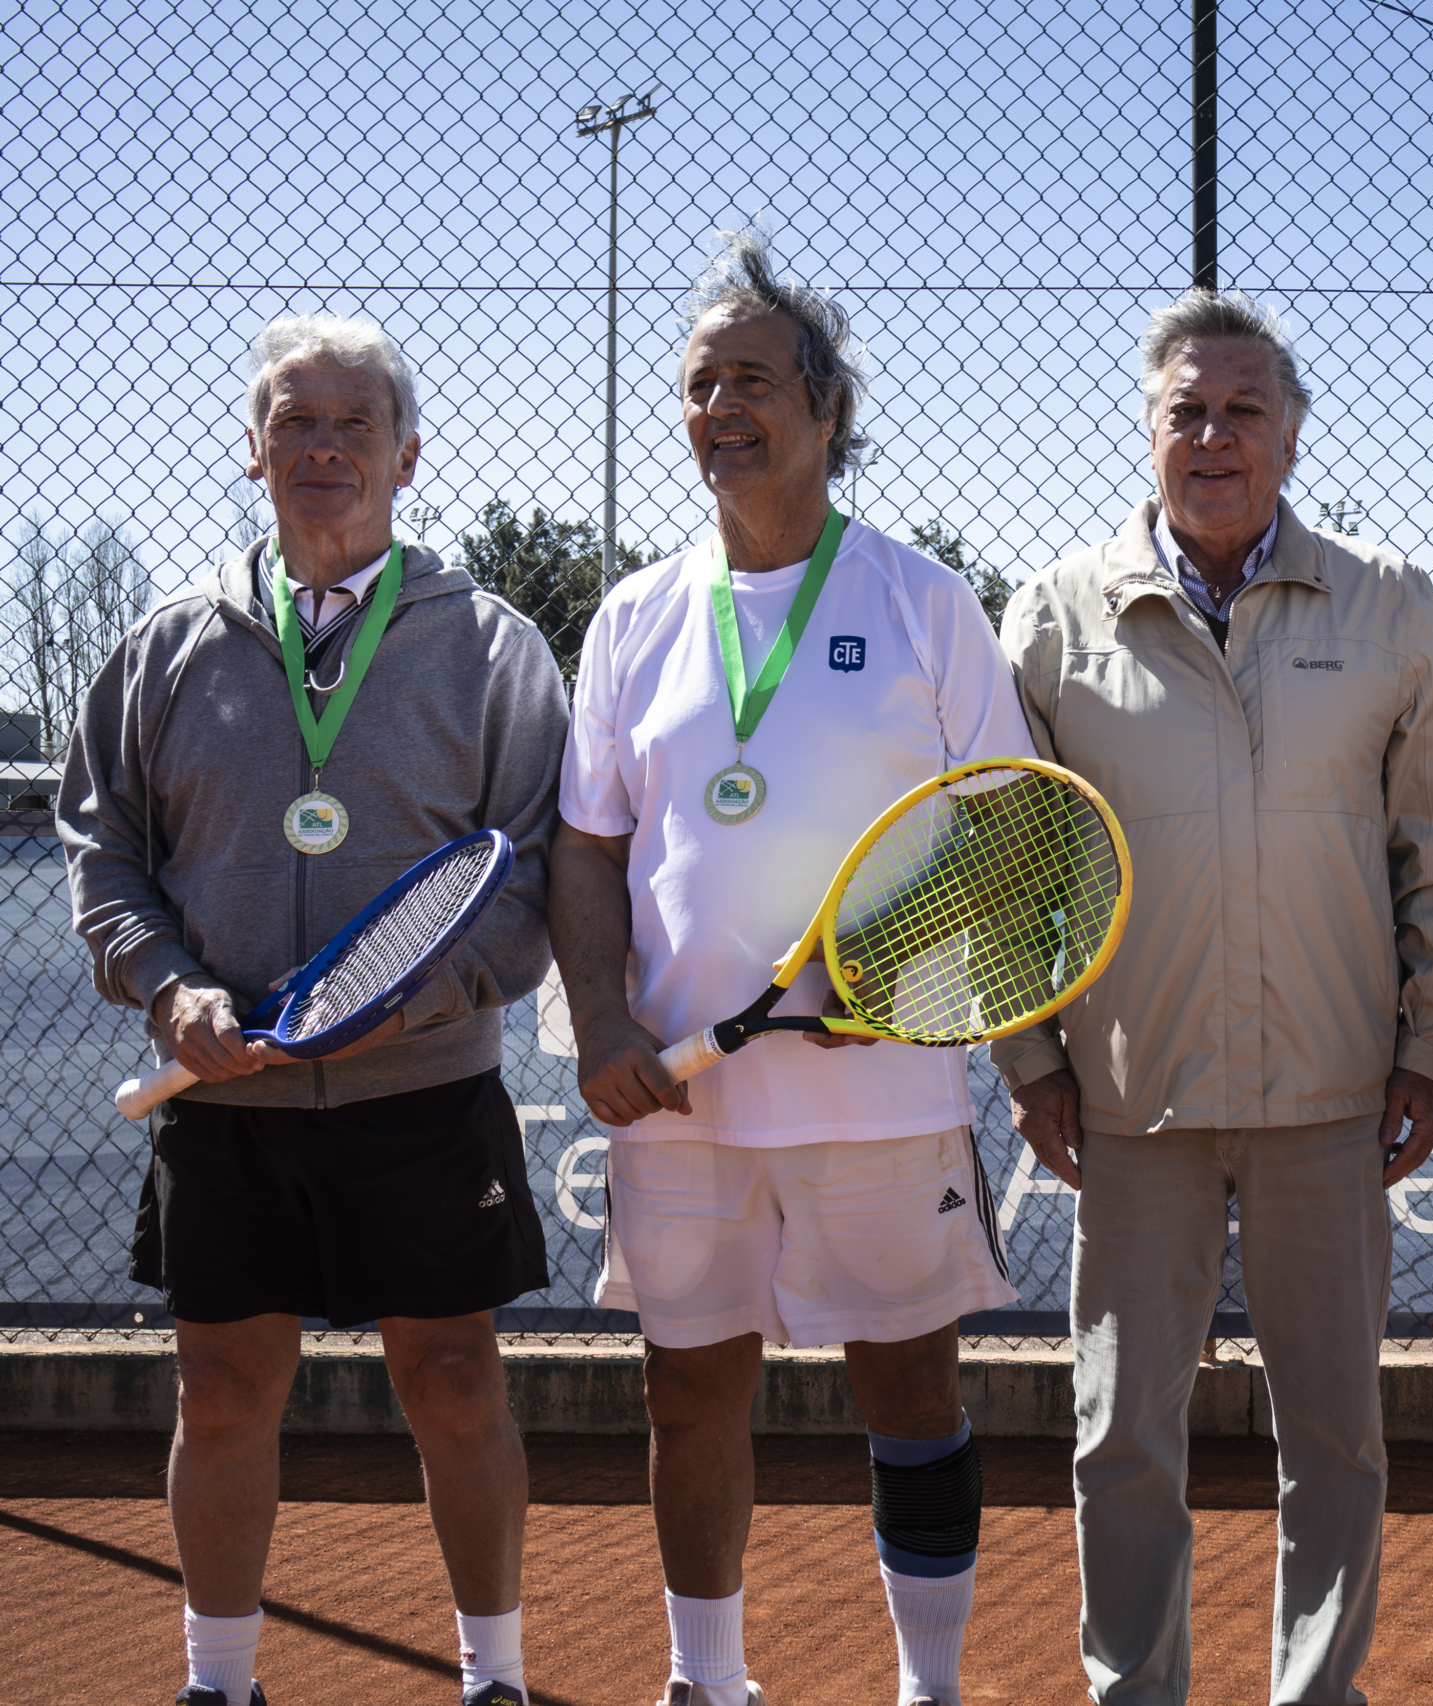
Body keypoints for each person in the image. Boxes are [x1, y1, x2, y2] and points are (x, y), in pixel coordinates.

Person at [59, 314, 566, 1706]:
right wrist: (172, 993)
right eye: (295, 420)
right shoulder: (167, 645)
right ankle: (219, 1684)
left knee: (458, 1383)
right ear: (252, 449)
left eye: (356, 423)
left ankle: (494, 1681)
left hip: (425, 1096)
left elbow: (530, 881)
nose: (324, 447)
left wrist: (414, 1004)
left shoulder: (496, 648)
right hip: (228, 1103)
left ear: (409, 454)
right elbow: (103, 856)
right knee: (219, 1391)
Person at [549, 231, 1024, 1706]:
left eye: (753, 378)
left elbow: (1011, 837)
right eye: (699, 384)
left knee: (911, 1390)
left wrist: (879, 974)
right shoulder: (632, 615)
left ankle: (929, 1687)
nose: (721, 407)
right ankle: (710, 1682)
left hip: (882, 1090)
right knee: (687, 1386)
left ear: (826, 410)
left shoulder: (922, 598)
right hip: (678, 1098)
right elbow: (585, 847)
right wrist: (603, 1019)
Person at [994, 290, 1433, 1704]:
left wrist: (1427, 1049)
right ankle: (1135, 1689)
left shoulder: (1385, 602)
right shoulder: (1052, 613)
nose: (1214, 436)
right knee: (1120, 1437)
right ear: (1148, 431)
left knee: (1334, 1436)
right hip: (1128, 1099)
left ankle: (1316, 1693)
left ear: (1290, 432)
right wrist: (1031, 1060)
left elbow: (1431, 853)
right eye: (1186, 411)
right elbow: (1011, 861)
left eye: (1243, 410)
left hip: (1331, 1092)